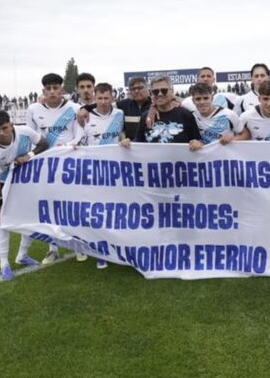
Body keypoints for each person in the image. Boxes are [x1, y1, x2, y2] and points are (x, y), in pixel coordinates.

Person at [25, 73, 85, 263]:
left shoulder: (74, 108)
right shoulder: (33, 109)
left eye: (55, 88)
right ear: (43, 91)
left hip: (70, 164)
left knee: (73, 207)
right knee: (51, 209)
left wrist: (69, 146)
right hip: (45, 167)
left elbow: (80, 134)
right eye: (48, 88)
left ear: (62, 90)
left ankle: (78, 245)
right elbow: (30, 136)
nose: (52, 92)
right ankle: (52, 248)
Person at [0, 110, 48, 280]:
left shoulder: (24, 132)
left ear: (11, 125)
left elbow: (44, 144)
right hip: (6, 184)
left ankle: (22, 255)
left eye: (4, 128)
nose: (1, 133)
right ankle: (4, 264)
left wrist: (29, 155)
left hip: (27, 182)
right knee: (2, 223)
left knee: (29, 218)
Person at [73, 82, 125, 269]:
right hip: (93, 173)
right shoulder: (86, 116)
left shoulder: (119, 114)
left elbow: (121, 136)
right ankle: (100, 251)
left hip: (115, 172)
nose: (103, 102)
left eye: (106, 98)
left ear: (112, 98)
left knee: (113, 211)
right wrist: (69, 147)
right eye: (100, 98)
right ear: (95, 98)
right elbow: (77, 139)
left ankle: (114, 247)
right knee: (97, 212)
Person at [130, 76, 201, 144]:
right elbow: (138, 140)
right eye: (155, 91)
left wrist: (198, 143)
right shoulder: (145, 116)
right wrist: (128, 143)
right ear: (151, 93)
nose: (160, 94)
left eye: (164, 90)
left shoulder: (186, 115)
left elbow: (198, 141)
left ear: (172, 91)